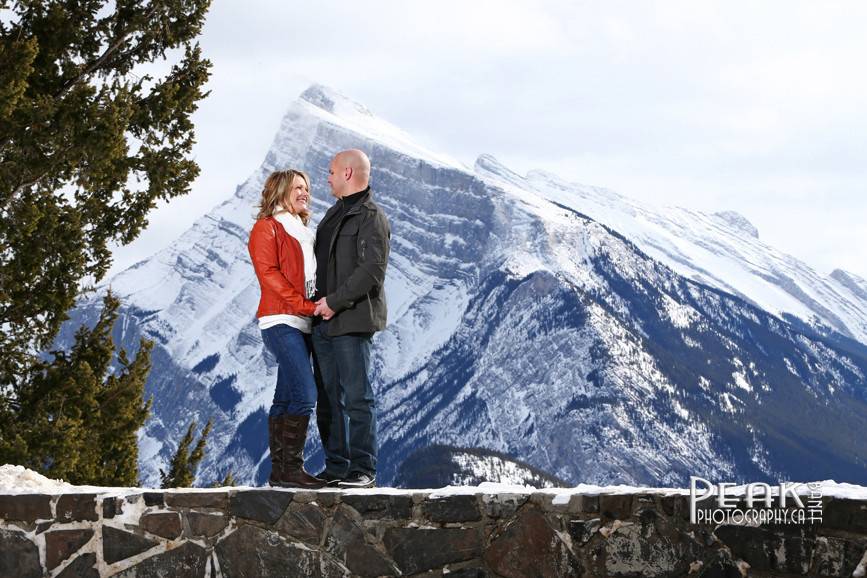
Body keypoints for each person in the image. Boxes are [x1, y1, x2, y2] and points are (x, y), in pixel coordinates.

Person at [312, 149, 390, 489]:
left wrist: (335, 302)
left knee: (357, 396)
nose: (326, 177)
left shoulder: (371, 217)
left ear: (347, 173)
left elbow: (372, 270)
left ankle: (362, 469)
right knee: (328, 398)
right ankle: (337, 466)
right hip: (323, 323)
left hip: (352, 320)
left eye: (330, 171)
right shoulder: (331, 215)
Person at [248, 169, 325, 489]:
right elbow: (270, 277)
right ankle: (292, 468)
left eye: (306, 187)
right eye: (297, 187)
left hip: (302, 322)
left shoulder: (301, 229)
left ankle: (280, 473)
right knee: (305, 395)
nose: (304, 192)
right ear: (280, 191)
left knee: (284, 398)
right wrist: (307, 306)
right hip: (281, 320)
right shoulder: (267, 228)